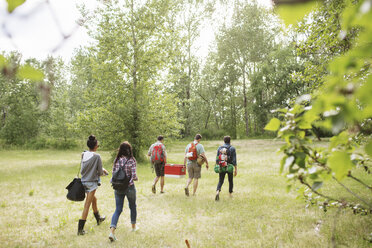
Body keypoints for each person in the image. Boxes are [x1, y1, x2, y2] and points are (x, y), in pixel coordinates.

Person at [78, 135, 109, 235]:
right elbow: (100, 172)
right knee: (87, 205)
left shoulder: (83, 154)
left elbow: (84, 169)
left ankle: (98, 218)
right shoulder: (97, 156)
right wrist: (104, 172)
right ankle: (80, 230)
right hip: (91, 184)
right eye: (98, 145)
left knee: (94, 200)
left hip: (83, 182)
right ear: (95, 146)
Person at [109, 141, 138, 242]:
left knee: (118, 209)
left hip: (118, 187)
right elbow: (133, 176)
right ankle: (133, 227)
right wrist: (135, 178)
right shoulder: (132, 160)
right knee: (132, 206)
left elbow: (113, 174)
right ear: (129, 150)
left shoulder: (116, 160)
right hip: (129, 187)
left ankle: (112, 232)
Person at [215, 136, 237, 201]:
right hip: (229, 167)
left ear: (224, 141)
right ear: (230, 141)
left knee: (220, 180)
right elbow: (234, 160)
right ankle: (230, 194)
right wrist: (235, 169)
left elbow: (217, 158)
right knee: (230, 181)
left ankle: (217, 191)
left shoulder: (220, 148)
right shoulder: (232, 148)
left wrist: (218, 165)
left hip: (221, 166)